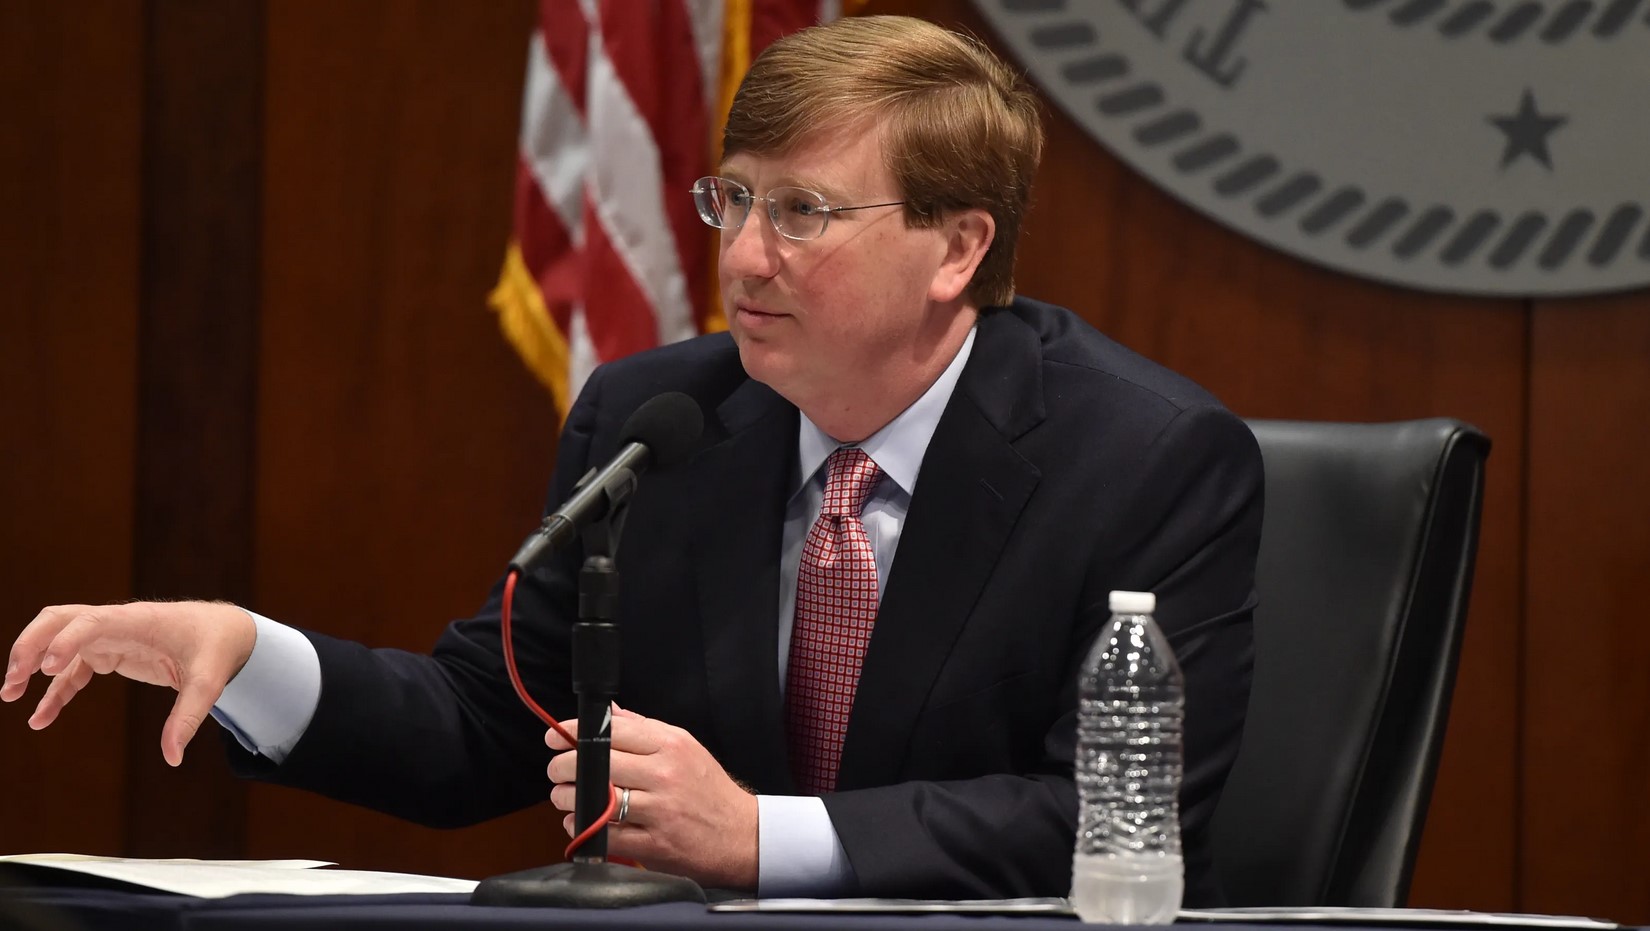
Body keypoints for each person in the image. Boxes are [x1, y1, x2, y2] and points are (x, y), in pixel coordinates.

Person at [2, 15, 1262, 904]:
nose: (746, 256)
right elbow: (491, 719)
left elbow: (1111, 818)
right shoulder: (661, 417)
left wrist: (756, 837)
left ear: (958, 249)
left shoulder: (1147, 460)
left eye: (804, 212)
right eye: (736, 199)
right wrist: (248, 656)